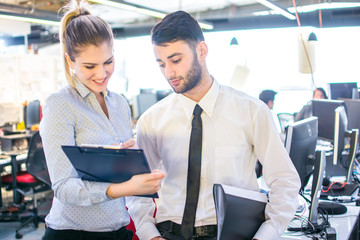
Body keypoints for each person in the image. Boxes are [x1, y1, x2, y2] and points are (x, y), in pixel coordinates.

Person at [127, 10, 300, 240]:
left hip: (233, 232)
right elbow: (137, 189)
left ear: (202, 50)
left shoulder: (251, 111)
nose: (169, 73)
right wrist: (150, 234)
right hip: (169, 232)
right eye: (161, 64)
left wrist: (266, 234)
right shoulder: (151, 120)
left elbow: (284, 181)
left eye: (176, 60)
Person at [39, 0, 165, 239]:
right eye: (89, 66)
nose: (101, 74)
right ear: (70, 61)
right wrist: (125, 188)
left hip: (117, 229)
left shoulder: (119, 104)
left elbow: (120, 171)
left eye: (108, 62)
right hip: (73, 233)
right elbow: (64, 186)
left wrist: (134, 160)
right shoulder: (60, 104)